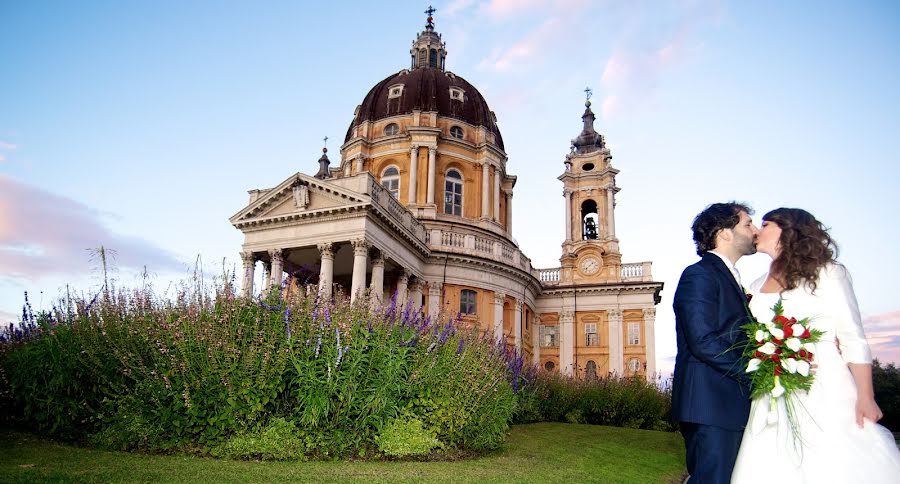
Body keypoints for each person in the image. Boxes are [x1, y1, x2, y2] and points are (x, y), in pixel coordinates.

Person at [731, 208, 900, 482]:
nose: (758, 231)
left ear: (787, 230)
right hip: (771, 390)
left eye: (765, 224)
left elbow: (852, 337)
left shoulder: (829, 274)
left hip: (824, 383)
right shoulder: (755, 284)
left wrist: (866, 396)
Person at [672, 202, 759, 483]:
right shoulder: (699, 274)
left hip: (725, 403)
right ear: (724, 233)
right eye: (747, 224)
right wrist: (757, 373)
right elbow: (703, 341)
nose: (755, 230)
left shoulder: (731, 278)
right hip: (710, 404)